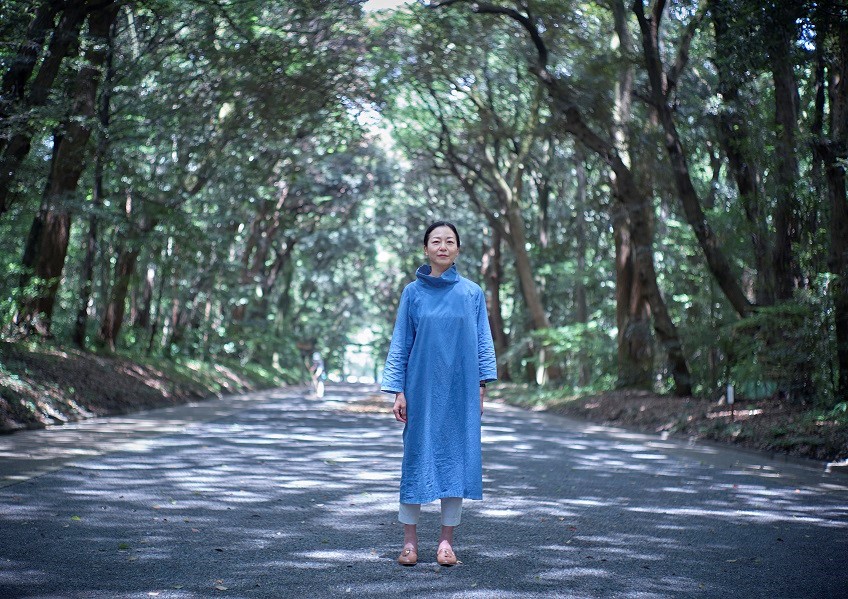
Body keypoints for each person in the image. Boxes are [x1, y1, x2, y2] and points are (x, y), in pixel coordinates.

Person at [381, 221, 497, 567]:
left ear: (458, 249)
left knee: (455, 461)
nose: (443, 246)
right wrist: (398, 390)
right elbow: (401, 342)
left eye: (449, 241)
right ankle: (409, 542)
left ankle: (446, 543)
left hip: (461, 389)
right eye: (436, 241)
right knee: (416, 459)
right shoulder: (412, 292)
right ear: (426, 249)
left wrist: (481, 387)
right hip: (421, 388)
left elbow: (483, 343)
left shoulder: (472, 293)